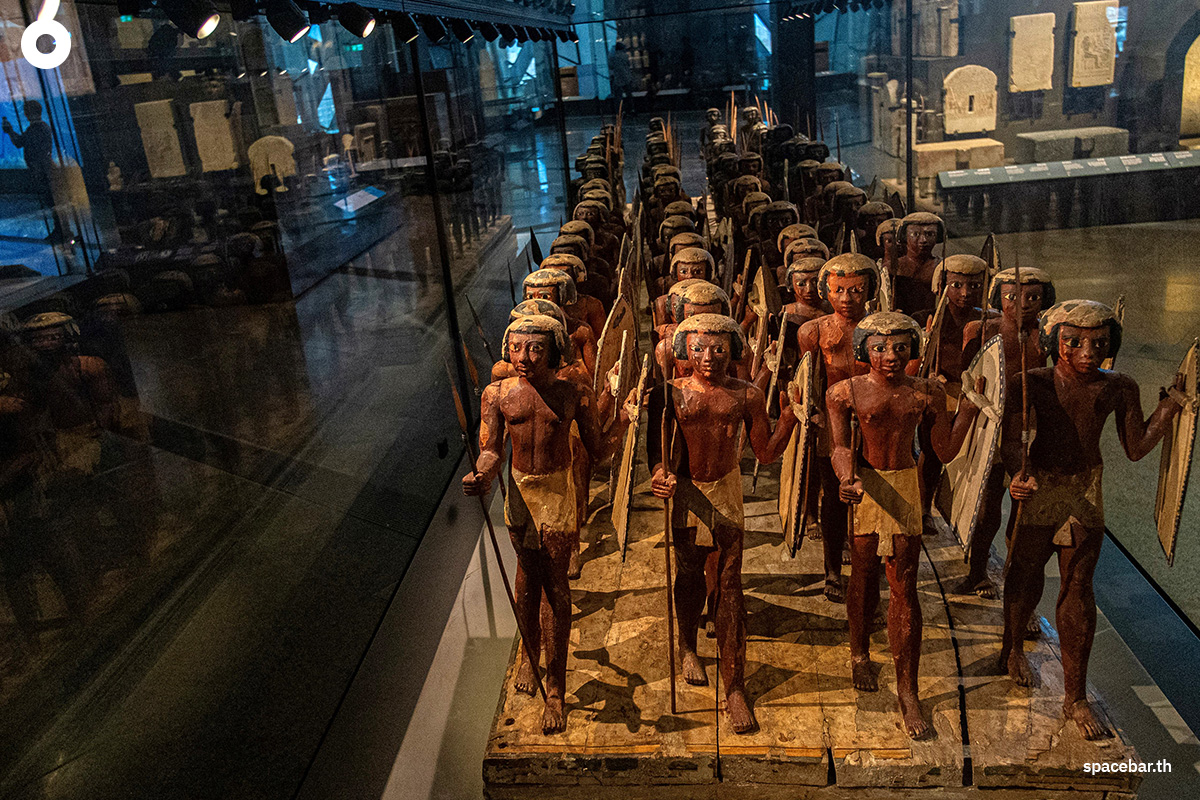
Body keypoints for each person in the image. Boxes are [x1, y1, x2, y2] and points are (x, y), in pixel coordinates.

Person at [1002, 300, 1183, 740]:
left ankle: (1074, 696)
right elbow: (1010, 442)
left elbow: (1136, 445)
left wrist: (1168, 409)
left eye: (1098, 343)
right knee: (1024, 573)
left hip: (1085, 488)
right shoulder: (1031, 384)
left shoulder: (1119, 387)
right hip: (1040, 485)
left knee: (1079, 586)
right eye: (1074, 342)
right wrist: (1017, 475)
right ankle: (1010, 649)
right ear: (1054, 342)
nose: (1087, 352)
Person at [464, 314, 633, 735]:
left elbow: (599, 449)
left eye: (536, 348)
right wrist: (483, 475)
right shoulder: (497, 394)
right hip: (521, 492)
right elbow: (491, 449)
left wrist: (627, 416)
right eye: (518, 347)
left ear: (555, 351)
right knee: (525, 580)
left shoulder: (573, 395)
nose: (525, 357)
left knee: (556, 585)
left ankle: (555, 688)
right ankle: (528, 651)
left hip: (556, 493)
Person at [827, 312, 981, 739]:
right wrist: (847, 477)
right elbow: (839, 446)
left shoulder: (926, 393)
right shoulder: (845, 393)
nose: (890, 357)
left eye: (899, 347)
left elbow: (945, 449)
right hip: (868, 486)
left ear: (913, 349)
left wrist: (967, 410)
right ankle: (859, 652)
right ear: (864, 351)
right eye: (879, 348)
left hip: (906, 487)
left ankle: (908, 690)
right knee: (862, 573)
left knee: (904, 587)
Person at [649, 313, 798, 734]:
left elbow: (765, 453)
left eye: (718, 349)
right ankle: (688, 646)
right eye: (698, 349)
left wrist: (789, 418)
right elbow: (655, 450)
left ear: (733, 349)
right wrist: (660, 473)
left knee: (731, 585)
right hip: (687, 493)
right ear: (684, 352)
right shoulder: (671, 393)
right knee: (691, 573)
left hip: (727, 492)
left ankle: (734, 687)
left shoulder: (746, 395)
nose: (709, 358)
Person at [956, 266, 1055, 599]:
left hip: (1031, 430)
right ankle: (977, 572)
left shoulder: (1049, 335)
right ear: (999, 298)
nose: (1023, 305)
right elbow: (967, 377)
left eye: (1033, 297)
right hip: (992, 427)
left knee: (1023, 510)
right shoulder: (981, 330)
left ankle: (1016, 586)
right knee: (985, 509)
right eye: (1012, 297)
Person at [797, 254, 879, 601]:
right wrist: (809, 412)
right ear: (826, 291)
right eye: (838, 291)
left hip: (873, 421)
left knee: (872, 493)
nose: (847, 299)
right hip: (831, 424)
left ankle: (868, 566)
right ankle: (832, 568)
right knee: (833, 495)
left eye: (856, 290)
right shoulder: (812, 331)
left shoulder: (880, 330)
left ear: (869, 291)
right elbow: (806, 378)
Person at [2, 100, 68, 243]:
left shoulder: (36, 129)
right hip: (46, 170)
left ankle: (61, 232)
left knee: (53, 202)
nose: (25, 115)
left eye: (26, 112)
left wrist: (10, 131)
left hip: (44, 171)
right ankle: (61, 231)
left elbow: (20, 142)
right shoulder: (41, 127)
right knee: (54, 202)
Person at [607, 41, 635, 116]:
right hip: (627, 77)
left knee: (618, 96)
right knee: (629, 94)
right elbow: (628, 65)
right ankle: (632, 109)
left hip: (617, 78)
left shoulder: (612, 56)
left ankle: (621, 111)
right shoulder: (625, 56)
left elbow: (610, 66)